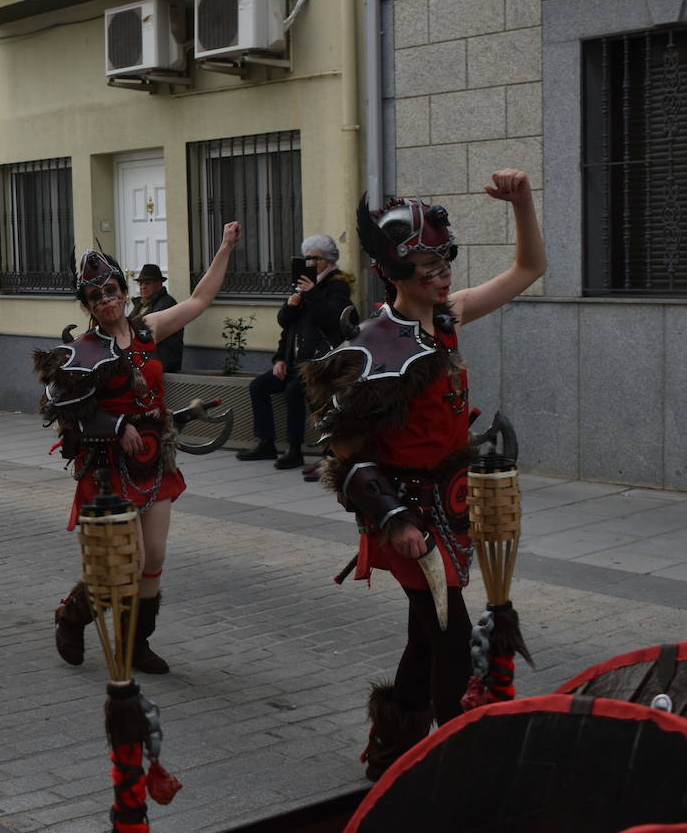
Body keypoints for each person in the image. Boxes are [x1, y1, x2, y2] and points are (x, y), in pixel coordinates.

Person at [300, 170, 546, 781]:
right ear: (392, 270)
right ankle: (455, 761)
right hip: (408, 515)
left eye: (445, 260)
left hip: (454, 505)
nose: (442, 275)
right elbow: (346, 452)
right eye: (427, 264)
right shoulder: (368, 346)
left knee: (425, 628)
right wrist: (393, 518)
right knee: (451, 634)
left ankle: (393, 738)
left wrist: (523, 205)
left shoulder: (448, 316)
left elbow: (528, 270)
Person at [40, 222, 242, 674]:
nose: (107, 300)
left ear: (124, 291)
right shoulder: (81, 350)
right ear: (89, 306)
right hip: (107, 466)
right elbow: (62, 408)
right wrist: (115, 426)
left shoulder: (148, 329)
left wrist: (225, 246)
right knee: (120, 563)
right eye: (97, 297)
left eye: (112, 290)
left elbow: (199, 300)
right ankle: (72, 615)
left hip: (154, 461)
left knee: (153, 556)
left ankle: (136, 642)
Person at [238, 235, 354, 471]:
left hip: (320, 364)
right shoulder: (303, 285)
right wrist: (280, 358)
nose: (309, 262)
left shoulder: (337, 285)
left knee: (293, 391)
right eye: (307, 258)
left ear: (329, 259)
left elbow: (333, 320)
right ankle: (266, 442)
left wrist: (311, 293)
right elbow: (287, 326)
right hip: (295, 362)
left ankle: (294, 450)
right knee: (259, 386)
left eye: (315, 258)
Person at [129, 263, 182, 373]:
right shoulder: (139, 304)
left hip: (163, 365)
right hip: (144, 363)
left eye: (147, 283)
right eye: (141, 283)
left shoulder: (167, 304)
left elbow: (145, 329)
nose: (143, 286)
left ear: (159, 284)